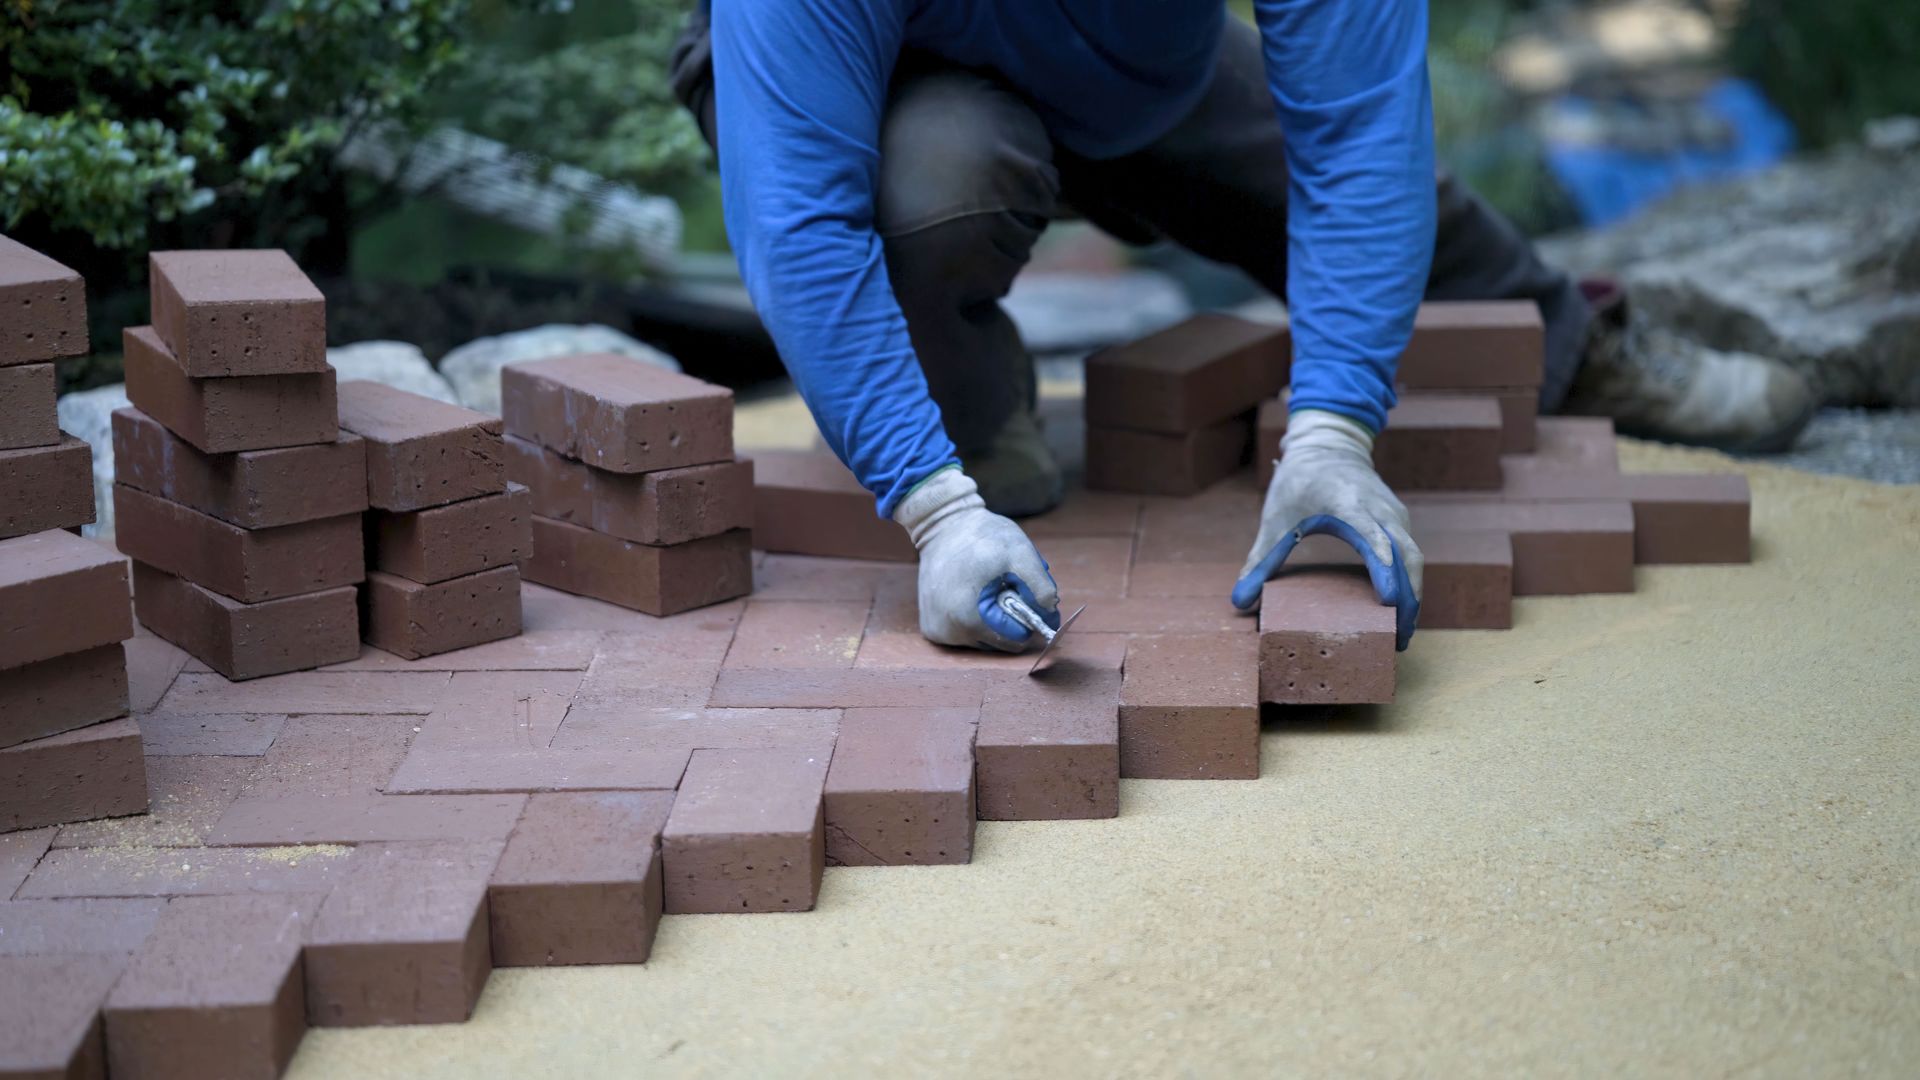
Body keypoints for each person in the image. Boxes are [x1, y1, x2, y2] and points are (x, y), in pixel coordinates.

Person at [668, 1, 1814, 654]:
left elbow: (1359, 134)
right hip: (879, 88)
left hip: (1123, 58)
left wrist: (1333, 431)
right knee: (939, 188)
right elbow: (800, 223)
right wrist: (934, 507)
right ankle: (967, 423)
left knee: (1362, 189)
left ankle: (1571, 345)